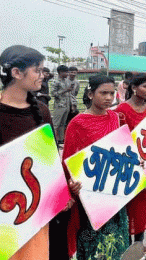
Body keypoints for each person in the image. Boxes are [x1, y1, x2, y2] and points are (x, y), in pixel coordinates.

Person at [0, 45, 79, 260]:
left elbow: (50, 157)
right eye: (38, 70)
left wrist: (62, 191)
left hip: (39, 209)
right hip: (8, 213)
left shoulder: (42, 111)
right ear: (16, 73)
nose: (43, 76)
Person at [63, 75, 129, 260]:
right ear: (91, 94)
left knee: (117, 239)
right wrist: (71, 183)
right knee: (93, 240)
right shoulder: (78, 123)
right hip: (91, 192)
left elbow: (123, 149)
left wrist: (134, 162)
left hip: (115, 189)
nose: (109, 97)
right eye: (103, 93)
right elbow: (68, 160)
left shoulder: (116, 118)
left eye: (111, 93)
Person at [114, 73, 146, 251]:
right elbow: (116, 141)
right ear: (133, 88)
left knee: (142, 207)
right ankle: (126, 246)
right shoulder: (120, 111)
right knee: (127, 207)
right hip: (127, 167)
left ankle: (138, 244)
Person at [51, 65, 72, 145]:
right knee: (56, 124)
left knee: (63, 124)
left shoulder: (66, 81)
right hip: (59, 105)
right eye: (66, 72)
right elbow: (53, 94)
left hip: (66, 105)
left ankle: (61, 140)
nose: (67, 74)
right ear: (60, 72)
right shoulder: (55, 81)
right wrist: (64, 90)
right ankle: (53, 142)